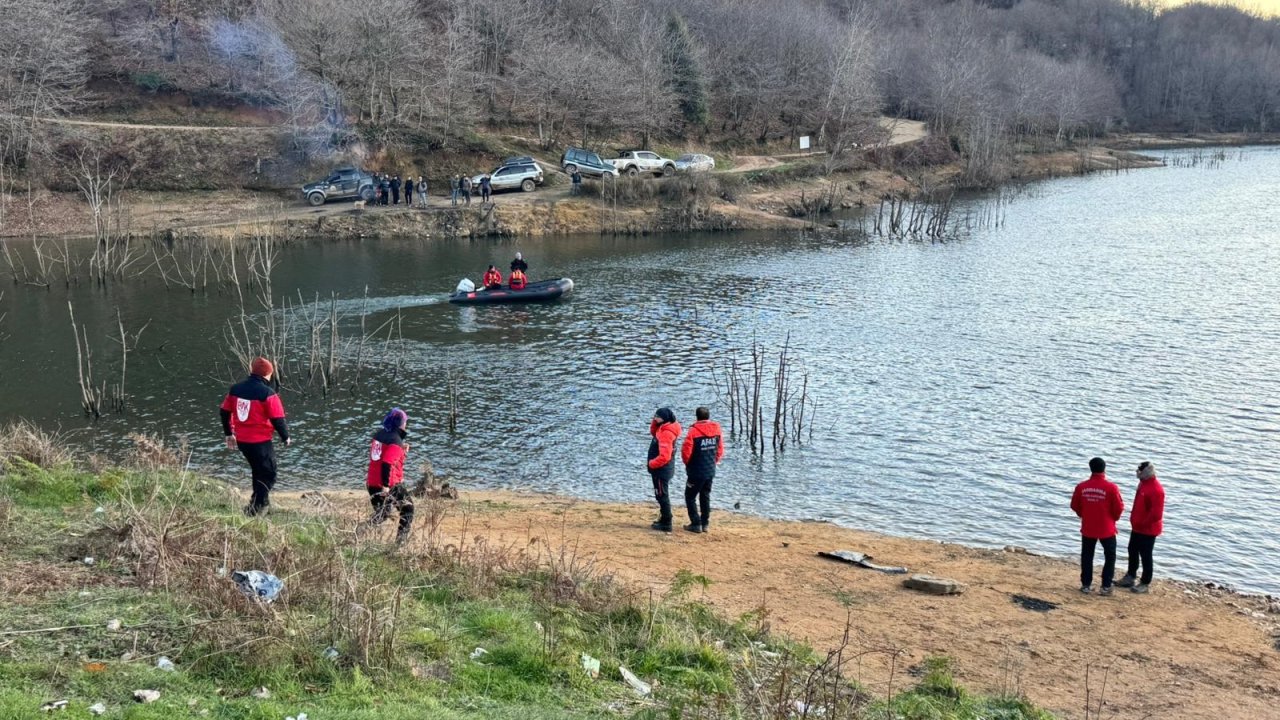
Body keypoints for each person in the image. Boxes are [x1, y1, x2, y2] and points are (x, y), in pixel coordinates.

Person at [219, 357, 289, 517]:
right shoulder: (268, 393)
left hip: (242, 440)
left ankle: (260, 502)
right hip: (260, 441)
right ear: (267, 374)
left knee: (258, 470)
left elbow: (224, 411)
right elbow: (278, 418)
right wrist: (286, 437)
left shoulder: (235, 389)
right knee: (269, 472)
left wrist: (229, 434)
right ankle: (255, 508)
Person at [1071, 457, 1125, 595]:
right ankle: (1106, 586)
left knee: (1087, 555)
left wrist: (1083, 514)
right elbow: (1119, 508)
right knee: (1110, 556)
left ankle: (1086, 585)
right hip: (1106, 528)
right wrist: (1114, 519)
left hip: (1088, 527)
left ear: (1090, 468)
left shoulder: (1082, 486)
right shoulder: (1111, 487)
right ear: (1104, 469)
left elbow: (1074, 505)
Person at [365, 408, 414, 544]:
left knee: (382, 514)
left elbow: (381, 458)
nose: (406, 424)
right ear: (400, 424)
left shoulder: (379, 435)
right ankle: (400, 544)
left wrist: (401, 451)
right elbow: (386, 463)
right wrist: (386, 486)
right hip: (388, 484)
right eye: (405, 422)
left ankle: (361, 530)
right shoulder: (396, 441)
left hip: (372, 483)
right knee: (408, 509)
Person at [1116, 461, 1165, 594]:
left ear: (1146, 472)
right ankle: (1130, 576)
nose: (1137, 472)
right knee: (1132, 550)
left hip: (1148, 529)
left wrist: (1143, 524)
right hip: (1137, 526)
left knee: (1146, 555)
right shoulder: (1143, 484)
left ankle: (1145, 582)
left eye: (1140, 470)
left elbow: (1156, 514)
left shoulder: (1156, 489)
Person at [680, 407, 724, 534]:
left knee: (690, 496)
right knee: (705, 496)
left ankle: (696, 523)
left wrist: (688, 464)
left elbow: (686, 452)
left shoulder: (693, 431)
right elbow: (720, 450)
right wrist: (713, 462)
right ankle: (705, 523)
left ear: (697, 417)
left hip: (696, 471)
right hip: (710, 470)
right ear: (708, 416)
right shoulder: (716, 429)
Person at [647, 408, 682, 532]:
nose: (655, 418)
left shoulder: (666, 433)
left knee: (662, 495)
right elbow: (653, 432)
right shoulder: (662, 429)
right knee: (660, 494)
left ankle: (667, 522)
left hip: (661, 470)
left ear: (664, 419)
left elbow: (665, 456)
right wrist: (655, 422)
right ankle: (664, 518)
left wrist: (652, 463)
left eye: (657, 416)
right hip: (662, 469)